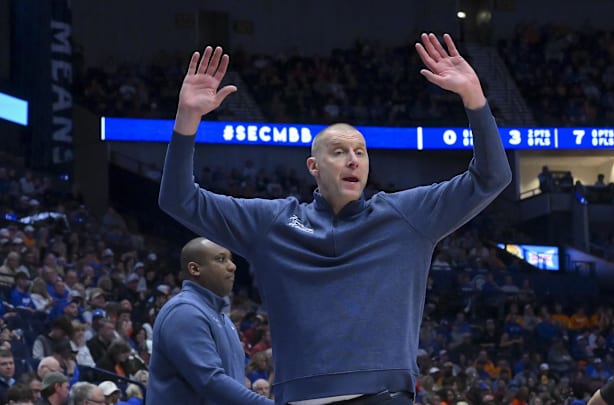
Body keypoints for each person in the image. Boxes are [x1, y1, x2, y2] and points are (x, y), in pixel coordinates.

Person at [158, 33, 511, 404]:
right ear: (314, 166)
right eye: (339, 152)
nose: (353, 159)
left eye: (360, 151)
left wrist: (475, 98)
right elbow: (178, 199)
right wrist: (187, 120)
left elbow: (491, 177)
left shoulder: (407, 215)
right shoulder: (272, 221)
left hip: (382, 394)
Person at [146, 238, 273, 405]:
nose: (232, 266)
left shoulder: (222, 318)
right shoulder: (184, 311)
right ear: (195, 269)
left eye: (231, 259)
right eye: (221, 259)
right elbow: (210, 382)